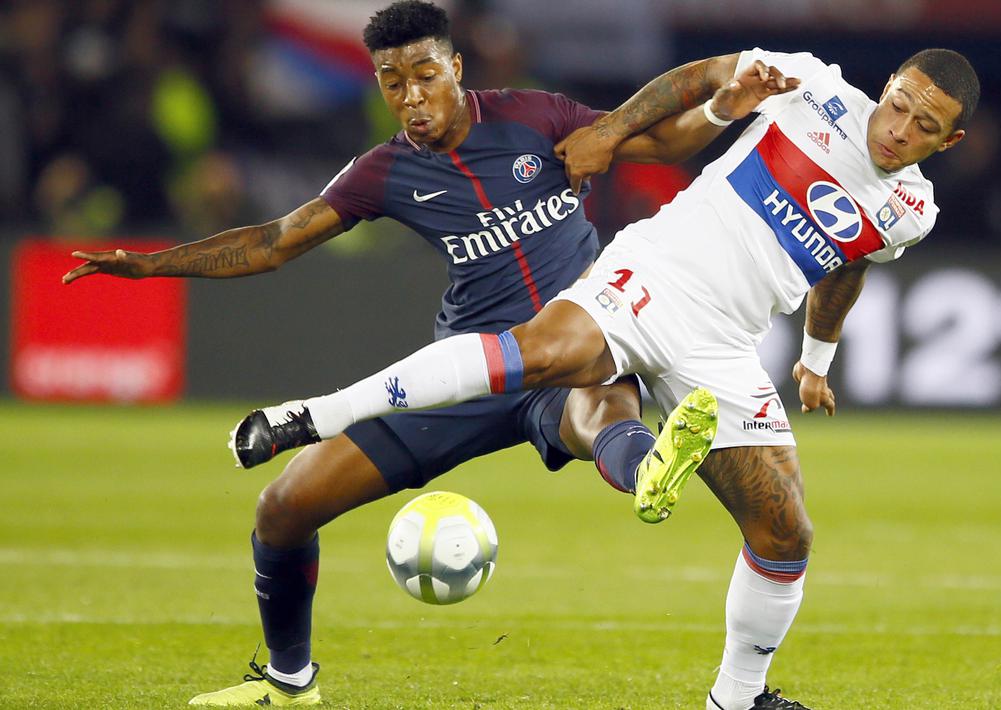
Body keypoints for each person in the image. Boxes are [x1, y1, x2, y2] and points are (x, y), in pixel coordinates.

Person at [61, 1, 799, 706]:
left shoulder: (534, 117)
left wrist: (719, 108)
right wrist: (154, 265)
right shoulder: (383, 172)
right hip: (467, 373)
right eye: (392, 82)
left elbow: (653, 143)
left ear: (454, 66)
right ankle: (289, 680)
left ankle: (649, 470)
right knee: (284, 506)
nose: (410, 96)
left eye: (423, 75)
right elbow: (276, 241)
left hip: (575, 345)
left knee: (598, 406)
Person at [234, 43, 979, 710]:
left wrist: (816, 361)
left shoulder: (911, 211)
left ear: (948, 142)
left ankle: (736, 699)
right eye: (898, 103)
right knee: (539, 351)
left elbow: (846, 265)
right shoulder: (809, 84)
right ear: (887, 85)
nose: (896, 128)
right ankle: (314, 414)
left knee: (785, 532)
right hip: (655, 272)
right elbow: (697, 78)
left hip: (723, 346)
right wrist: (611, 129)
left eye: (921, 126)